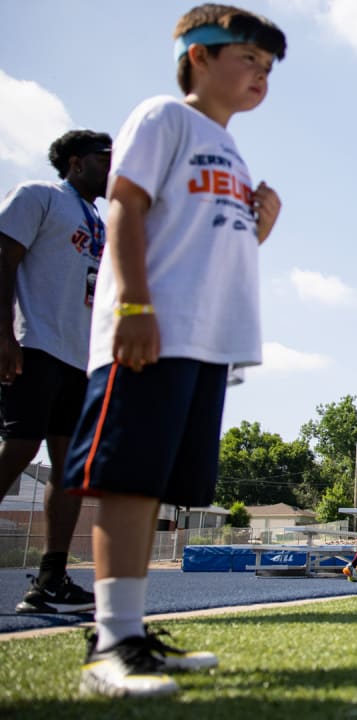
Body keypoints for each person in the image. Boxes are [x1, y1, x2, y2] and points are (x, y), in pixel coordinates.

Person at [59, 5, 285, 697]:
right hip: (150, 327)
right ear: (199, 56)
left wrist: (260, 223)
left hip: (203, 341)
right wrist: (131, 305)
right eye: (248, 58)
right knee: (127, 479)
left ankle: (134, 636)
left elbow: (215, 249)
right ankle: (112, 644)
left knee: (157, 484)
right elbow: (124, 205)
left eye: (269, 68)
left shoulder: (233, 149)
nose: (260, 76)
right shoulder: (163, 116)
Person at [0, 130, 114, 616]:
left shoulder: (101, 223)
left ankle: (50, 577)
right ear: (75, 162)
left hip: (79, 359)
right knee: (21, 445)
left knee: (71, 469)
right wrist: (4, 336)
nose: (114, 168)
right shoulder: (38, 196)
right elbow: (3, 261)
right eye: (106, 159)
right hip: (35, 344)